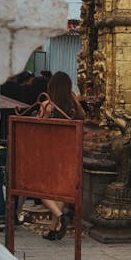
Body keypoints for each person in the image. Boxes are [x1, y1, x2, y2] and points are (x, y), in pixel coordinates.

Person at [38, 71, 85, 241]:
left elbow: (38, 127)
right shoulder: (73, 106)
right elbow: (83, 118)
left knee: (40, 188)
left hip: (50, 151)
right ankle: (53, 228)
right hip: (68, 152)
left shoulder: (46, 105)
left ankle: (59, 215)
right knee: (59, 190)